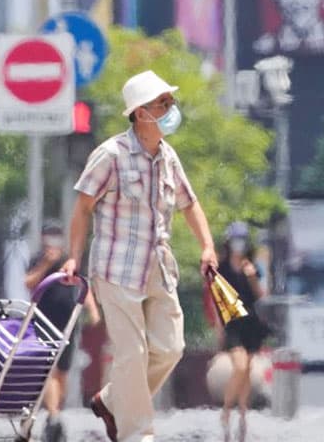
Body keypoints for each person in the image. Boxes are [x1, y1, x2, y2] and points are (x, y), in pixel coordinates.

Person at [62, 70, 218, 442]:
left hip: (157, 266)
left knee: (171, 348)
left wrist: (207, 246)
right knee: (131, 353)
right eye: (162, 103)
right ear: (140, 113)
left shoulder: (168, 157)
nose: (170, 109)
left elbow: (189, 204)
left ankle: (113, 400)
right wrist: (74, 257)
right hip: (116, 269)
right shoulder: (110, 155)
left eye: (170, 102)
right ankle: (137, 434)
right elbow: (82, 207)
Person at [24, 223, 102, 442]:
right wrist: (46, 264)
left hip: (68, 322)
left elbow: (82, 286)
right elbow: (29, 283)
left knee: (62, 371)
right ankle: (53, 414)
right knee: (48, 367)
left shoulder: (70, 260)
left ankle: (55, 412)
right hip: (43, 320)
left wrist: (93, 310)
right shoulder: (37, 259)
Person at [215, 221, 268, 442]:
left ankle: (243, 415)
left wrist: (252, 276)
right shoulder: (222, 268)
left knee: (247, 371)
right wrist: (218, 329)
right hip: (232, 322)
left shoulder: (253, 266)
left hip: (251, 322)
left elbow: (260, 295)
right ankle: (227, 410)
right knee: (240, 365)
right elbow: (217, 298)